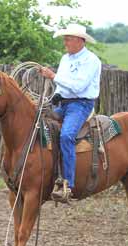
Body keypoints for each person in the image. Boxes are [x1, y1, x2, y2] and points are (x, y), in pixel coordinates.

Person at [40, 23, 102, 202]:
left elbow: (79, 86)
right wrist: (54, 95)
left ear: (80, 41)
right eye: (65, 39)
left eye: (68, 39)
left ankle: (68, 183)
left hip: (81, 105)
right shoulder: (65, 58)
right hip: (63, 103)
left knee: (67, 135)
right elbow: (63, 85)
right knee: (39, 123)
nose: (65, 43)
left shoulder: (91, 60)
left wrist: (53, 76)